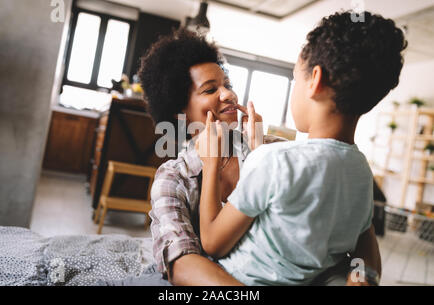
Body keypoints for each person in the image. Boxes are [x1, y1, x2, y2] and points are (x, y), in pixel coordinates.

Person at [136, 28, 381, 286]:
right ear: (179, 112)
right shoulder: (173, 178)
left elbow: (356, 227)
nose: (229, 94)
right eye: (210, 90)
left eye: (227, 85)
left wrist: (361, 278)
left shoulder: (274, 151)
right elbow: (182, 266)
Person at [196, 11, 406, 285]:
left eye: (294, 79)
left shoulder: (274, 162)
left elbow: (212, 241)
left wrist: (211, 162)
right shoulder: (362, 173)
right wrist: (258, 149)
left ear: (315, 80)